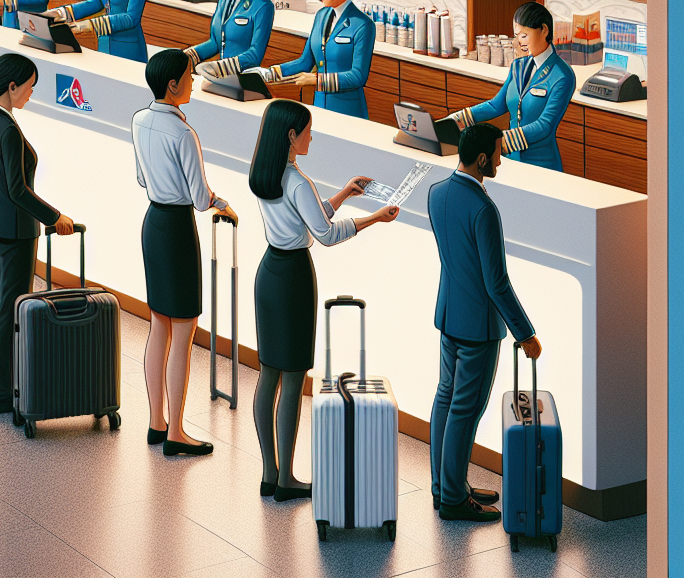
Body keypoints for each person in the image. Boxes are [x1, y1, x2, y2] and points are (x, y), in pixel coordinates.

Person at [248, 98, 399, 500]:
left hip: (269, 274)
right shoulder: (298, 181)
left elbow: (311, 215)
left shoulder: (265, 173)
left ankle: (269, 473)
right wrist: (374, 219)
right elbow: (325, 234)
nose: (312, 136)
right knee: (294, 380)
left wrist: (345, 194)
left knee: (269, 375)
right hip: (294, 278)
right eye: (308, 131)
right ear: (291, 136)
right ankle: (287, 481)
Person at [428, 122, 541, 523]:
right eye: (496, 153)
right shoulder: (484, 210)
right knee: (465, 409)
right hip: (478, 327)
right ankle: (455, 500)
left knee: (446, 399)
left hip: (448, 316)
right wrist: (525, 332)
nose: (500, 159)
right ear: (481, 159)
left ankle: (445, 485)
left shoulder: (436, 192)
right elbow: (497, 283)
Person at [131, 49, 235, 457]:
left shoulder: (139, 119)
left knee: (159, 324)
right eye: (189, 76)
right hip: (176, 230)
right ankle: (176, 431)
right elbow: (198, 197)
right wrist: (219, 201)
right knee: (184, 332)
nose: (193, 81)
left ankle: (157, 421)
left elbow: (141, 176)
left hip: (152, 223)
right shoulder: (184, 133)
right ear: (172, 84)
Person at [0, 53, 77, 414]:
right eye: (29, 87)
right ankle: (2, 391)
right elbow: (19, 190)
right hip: (17, 230)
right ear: (12, 87)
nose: (31, 93)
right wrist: (55, 216)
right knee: (10, 310)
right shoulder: (9, 129)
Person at [445, 2, 577, 170]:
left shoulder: (562, 75)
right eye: (517, 36)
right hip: (510, 161)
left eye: (524, 35)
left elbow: (545, 125)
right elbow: (496, 105)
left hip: (541, 164)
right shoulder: (518, 66)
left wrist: (498, 140)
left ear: (544, 30)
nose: (518, 42)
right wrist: (455, 120)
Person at [251, 0, 375, 118]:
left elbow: (357, 77)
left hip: (348, 112)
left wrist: (317, 80)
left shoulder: (362, 25)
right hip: (319, 108)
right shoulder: (321, 16)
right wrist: (271, 73)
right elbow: (305, 62)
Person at [184, 0, 276, 89]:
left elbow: (255, 55)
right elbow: (215, 42)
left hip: (244, 82)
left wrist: (218, 67)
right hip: (220, 80)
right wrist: (189, 55)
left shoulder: (262, 5)